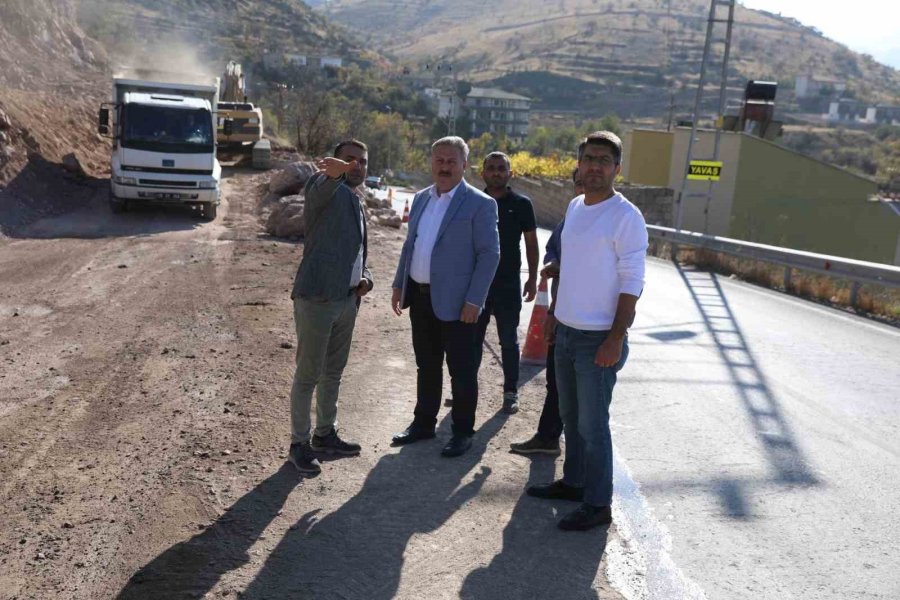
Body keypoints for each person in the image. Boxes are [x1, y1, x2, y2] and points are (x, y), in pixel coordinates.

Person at [527, 132, 648, 531]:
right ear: (578, 164)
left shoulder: (626, 217)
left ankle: (598, 504)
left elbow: (632, 283)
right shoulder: (576, 206)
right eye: (588, 158)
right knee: (570, 416)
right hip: (566, 332)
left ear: (617, 168)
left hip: (599, 339)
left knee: (593, 427)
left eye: (604, 160)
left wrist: (615, 338)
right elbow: (574, 267)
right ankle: (575, 483)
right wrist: (555, 319)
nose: (594, 166)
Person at [390, 136, 500, 457]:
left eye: (452, 161)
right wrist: (400, 285)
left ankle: (463, 432)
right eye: (439, 160)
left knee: (462, 370)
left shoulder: (480, 204)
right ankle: (423, 423)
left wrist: (474, 301)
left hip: (459, 304)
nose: (445, 166)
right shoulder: (422, 198)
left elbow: (489, 255)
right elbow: (411, 246)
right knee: (427, 365)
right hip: (421, 299)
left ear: (465, 165)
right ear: (432, 162)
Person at [286, 139, 374, 475]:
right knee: (308, 374)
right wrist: (334, 174)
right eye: (349, 160)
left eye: (362, 161)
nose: (357, 166)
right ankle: (299, 444)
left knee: (333, 373)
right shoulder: (323, 188)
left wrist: (366, 278)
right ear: (333, 162)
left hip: (347, 300)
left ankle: (325, 434)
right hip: (318, 298)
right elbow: (322, 185)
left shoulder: (355, 198)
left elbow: (358, 252)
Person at [509, 169, 584, 455]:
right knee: (556, 381)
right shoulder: (572, 218)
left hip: (589, 324)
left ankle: (582, 466)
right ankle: (548, 437)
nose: (582, 189)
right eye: (578, 184)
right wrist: (554, 264)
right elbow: (553, 248)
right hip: (561, 313)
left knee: (583, 396)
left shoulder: (611, 221)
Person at [474, 152, 539, 414]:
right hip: (476, 284)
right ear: (483, 173)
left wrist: (532, 278)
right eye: (491, 168)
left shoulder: (522, 204)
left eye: (502, 168)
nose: (497, 172)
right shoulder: (473, 202)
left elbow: (532, 244)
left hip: (508, 285)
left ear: (510, 173)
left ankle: (511, 392)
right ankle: (466, 390)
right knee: (471, 341)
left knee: (509, 341)